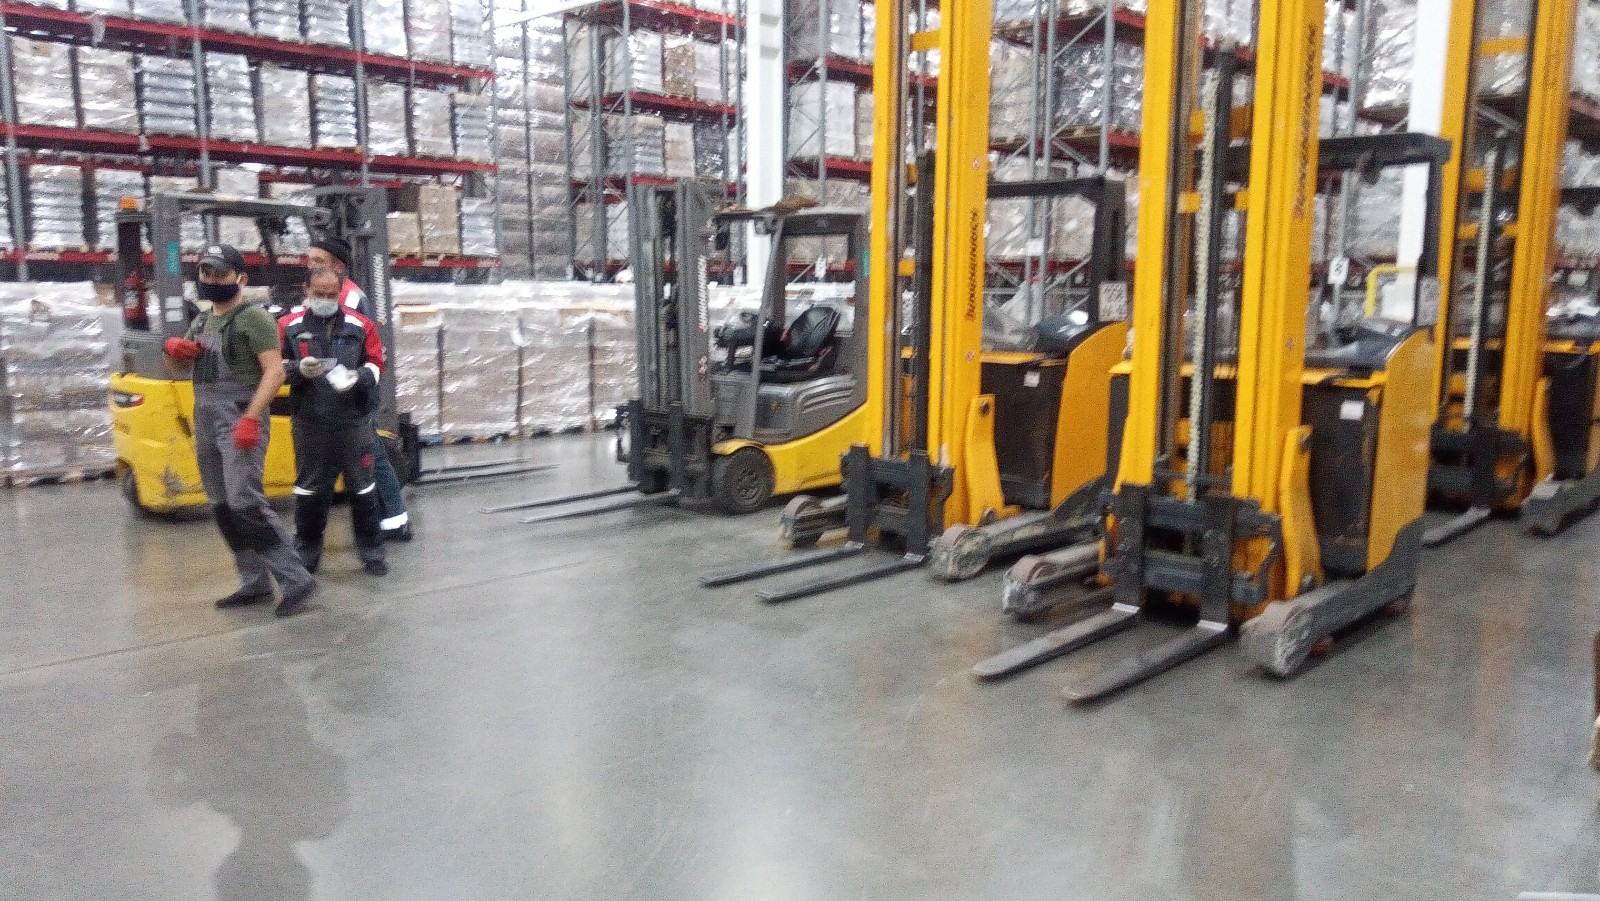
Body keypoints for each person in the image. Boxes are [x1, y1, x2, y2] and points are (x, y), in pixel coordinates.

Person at [163, 244, 317, 617]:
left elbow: (275, 372)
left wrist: (251, 417)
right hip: (205, 414)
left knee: (245, 503)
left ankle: (296, 579)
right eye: (206, 273)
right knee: (221, 505)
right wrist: (175, 353)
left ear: (241, 279)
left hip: (239, 415)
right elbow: (180, 372)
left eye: (220, 273)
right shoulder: (202, 321)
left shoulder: (254, 319)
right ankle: (254, 581)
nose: (212, 280)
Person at [279, 270, 389, 577]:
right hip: (310, 422)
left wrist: (360, 376)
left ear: (340, 293)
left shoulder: (361, 324)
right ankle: (307, 554)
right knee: (309, 490)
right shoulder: (289, 326)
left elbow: (377, 362)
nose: (325, 300)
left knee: (363, 487)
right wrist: (297, 369)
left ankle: (372, 552)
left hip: (353, 421)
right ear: (307, 289)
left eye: (331, 295)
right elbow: (275, 366)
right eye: (319, 294)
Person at [307, 234, 413, 542]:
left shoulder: (348, 297)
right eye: (309, 260)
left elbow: (348, 347)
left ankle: (395, 520)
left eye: (318, 261)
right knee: (363, 453)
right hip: (337, 384)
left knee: (372, 453)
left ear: (338, 267)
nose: (311, 266)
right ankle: (388, 518)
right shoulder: (324, 293)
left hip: (353, 385)